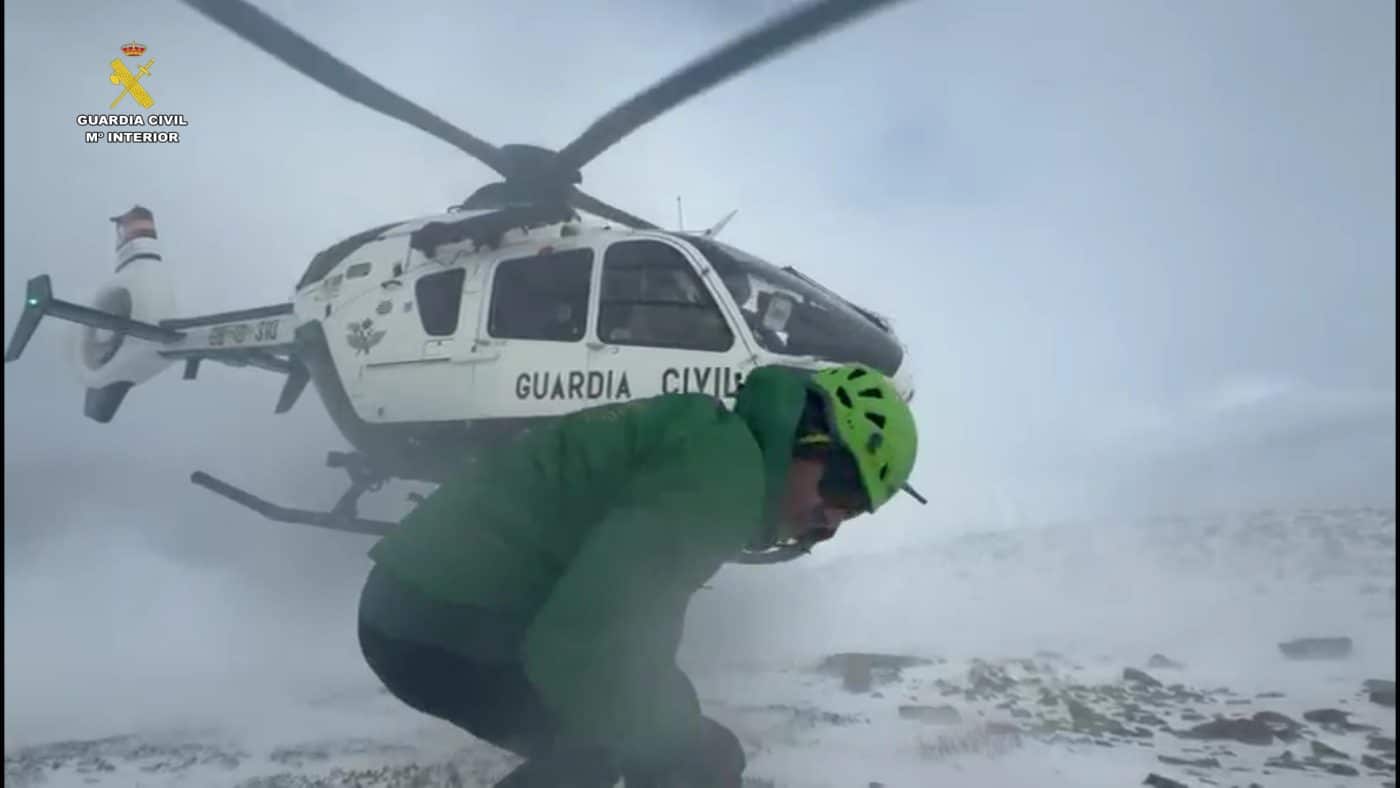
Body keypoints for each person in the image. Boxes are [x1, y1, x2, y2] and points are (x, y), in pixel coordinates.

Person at [356, 362, 920, 787]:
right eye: (841, 491)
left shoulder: (712, 445)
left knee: (610, 739)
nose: (829, 522)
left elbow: (626, 630)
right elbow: (584, 644)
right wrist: (682, 744)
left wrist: (678, 729)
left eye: (852, 513)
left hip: (424, 605)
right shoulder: (722, 475)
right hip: (436, 614)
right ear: (810, 441)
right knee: (613, 744)